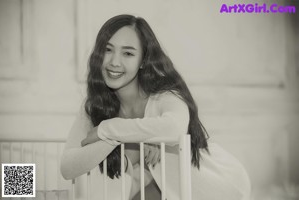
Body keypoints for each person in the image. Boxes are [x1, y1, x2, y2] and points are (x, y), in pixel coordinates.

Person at [60, 14, 251, 200]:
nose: (114, 62)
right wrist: (122, 138)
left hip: (218, 182)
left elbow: (174, 129)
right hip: (169, 188)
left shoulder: (165, 96)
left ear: (143, 60)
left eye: (128, 53)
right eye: (108, 50)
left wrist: (107, 129)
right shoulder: (96, 105)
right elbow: (68, 167)